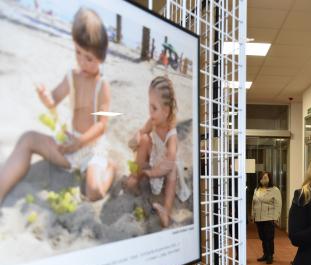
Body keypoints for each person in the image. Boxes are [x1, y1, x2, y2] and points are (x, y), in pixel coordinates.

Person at [0, 8, 115, 206]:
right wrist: (46, 98)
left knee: (93, 191)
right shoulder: (72, 75)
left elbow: (102, 125)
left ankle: (110, 168)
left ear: (101, 58)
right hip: (69, 146)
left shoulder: (102, 85)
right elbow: (54, 100)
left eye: (90, 58)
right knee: (27, 139)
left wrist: (80, 142)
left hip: (91, 148)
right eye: (78, 53)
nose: (82, 62)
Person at [124, 76, 190, 227]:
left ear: (166, 111)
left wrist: (151, 173)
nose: (150, 112)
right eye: (149, 106)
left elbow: (169, 161)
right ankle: (134, 179)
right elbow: (141, 132)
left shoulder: (171, 134)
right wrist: (136, 138)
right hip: (154, 158)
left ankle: (166, 211)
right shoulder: (153, 121)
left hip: (166, 164)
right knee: (146, 139)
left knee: (172, 169)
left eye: (154, 108)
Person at [250, 171, 282, 264]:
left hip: (269, 217)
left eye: (265, 178)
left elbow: (278, 204)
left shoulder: (274, 190)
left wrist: (276, 217)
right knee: (262, 237)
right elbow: (253, 203)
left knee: (269, 237)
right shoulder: (257, 189)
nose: (263, 180)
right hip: (258, 218)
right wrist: (252, 215)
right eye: (262, 178)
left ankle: (270, 255)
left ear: (269, 179)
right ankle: (265, 254)